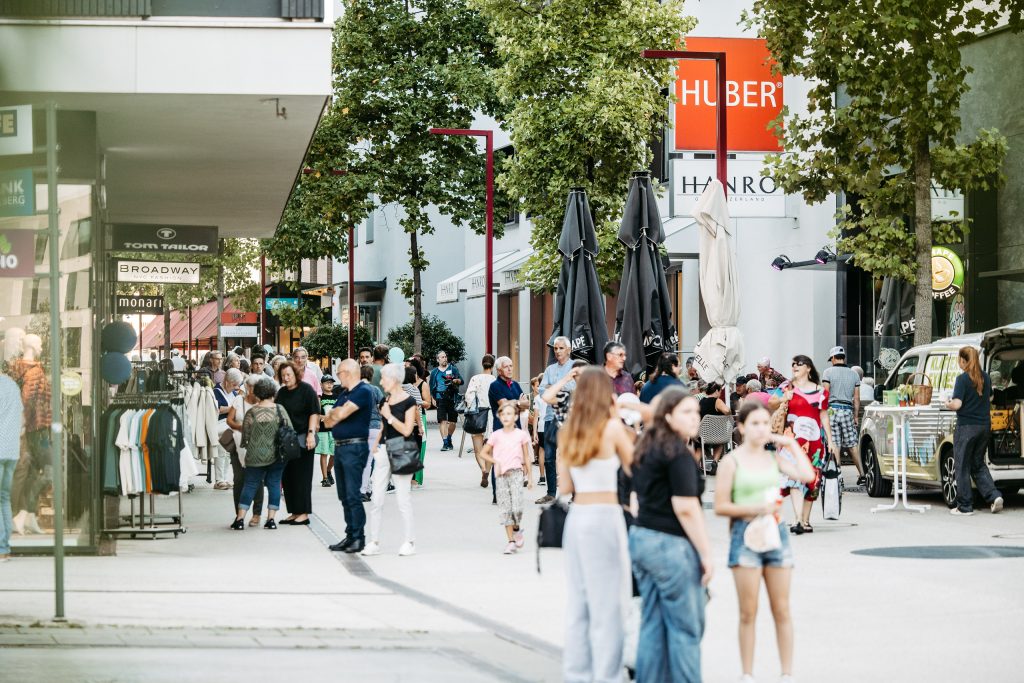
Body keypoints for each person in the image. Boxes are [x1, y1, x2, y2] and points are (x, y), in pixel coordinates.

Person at [714, 402, 816, 683]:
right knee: (748, 611)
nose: (761, 429)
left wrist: (789, 443)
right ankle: (747, 674)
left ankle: (787, 673)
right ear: (742, 427)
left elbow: (807, 476)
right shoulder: (731, 462)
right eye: (755, 423)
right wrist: (754, 509)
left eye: (765, 423)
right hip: (744, 534)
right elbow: (720, 505)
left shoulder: (774, 459)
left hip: (775, 534)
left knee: (781, 608)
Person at [629, 389, 712, 683]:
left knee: (652, 624)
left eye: (696, 412)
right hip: (670, 545)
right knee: (685, 629)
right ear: (667, 416)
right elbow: (686, 506)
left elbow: (635, 498)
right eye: (687, 412)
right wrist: (705, 554)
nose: (695, 418)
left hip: (642, 539)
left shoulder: (646, 447)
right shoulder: (677, 452)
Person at [558, 367, 635, 683]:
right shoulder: (613, 428)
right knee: (608, 603)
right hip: (605, 515)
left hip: (577, 518)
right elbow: (635, 467)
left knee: (579, 601)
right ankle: (608, 675)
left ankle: (577, 673)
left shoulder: (567, 432)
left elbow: (563, 488)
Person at [363, 363, 419, 557]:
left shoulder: (409, 401)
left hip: (403, 448)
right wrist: (376, 444)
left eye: (384, 378)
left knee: (403, 499)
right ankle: (374, 541)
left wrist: (388, 417)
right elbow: (382, 427)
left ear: (394, 379)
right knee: (377, 499)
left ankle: (409, 541)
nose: (380, 381)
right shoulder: (385, 399)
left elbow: (406, 430)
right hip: (384, 450)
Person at [944, 346, 1004, 515]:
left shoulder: (962, 380)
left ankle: (965, 506)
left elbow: (958, 404)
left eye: (960, 360)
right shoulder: (985, 377)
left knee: (962, 465)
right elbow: (990, 397)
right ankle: (994, 496)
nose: (959, 363)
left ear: (964, 361)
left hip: (966, 427)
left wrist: (948, 403)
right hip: (984, 426)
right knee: (977, 464)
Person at [323, 359, 374, 553]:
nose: (337, 377)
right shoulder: (344, 394)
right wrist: (334, 414)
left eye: (339, 373)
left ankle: (358, 537)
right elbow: (328, 422)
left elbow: (339, 415)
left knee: (353, 494)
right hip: (341, 447)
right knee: (344, 495)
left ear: (350, 372)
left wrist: (335, 414)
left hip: (355, 447)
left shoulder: (363, 391)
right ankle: (350, 534)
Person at [784, 355, 835, 535]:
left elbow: (823, 416)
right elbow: (771, 403)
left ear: (809, 368)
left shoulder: (821, 392)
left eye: (799, 364)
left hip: (815, 442)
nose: (794, 367)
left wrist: (831, 440)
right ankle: (798, 518)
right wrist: (784, 398)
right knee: (794, 478)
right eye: (792, 364)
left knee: (813, 480)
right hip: (792, 441)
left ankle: (806, 519)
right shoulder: (787, 387)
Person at [231, 376, 290, 531]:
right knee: (274, 485)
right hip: (276, 456)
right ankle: (270, 520)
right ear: (273, 393)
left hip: (254, 455)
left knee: (249, 485)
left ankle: (240, 519)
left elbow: (245, 438)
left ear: (257, 393)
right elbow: (289, 431)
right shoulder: (280, 410)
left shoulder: (251, 412)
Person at [476, 400, 534, 554]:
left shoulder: (521, 435)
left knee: (517, 508)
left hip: (516, 474)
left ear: (516, 416)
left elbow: (527, 457)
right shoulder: (496, 435)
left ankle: (517, 529)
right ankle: (511, 541)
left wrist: (530, 477)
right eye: (503, 414)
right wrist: (496, 461)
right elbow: (483, 453)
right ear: (499, 417)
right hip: (501, 476)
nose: (506, 417)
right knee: (505, 509)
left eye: (510, 414)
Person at [275, 361, 320, 526]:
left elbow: (314, 412)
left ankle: (304, 513)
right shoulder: (281, 393)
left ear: (296, 374)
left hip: (303, 438)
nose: (286, 378)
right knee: (288, 477)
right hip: (287, 440)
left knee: (302, 476)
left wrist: (310, 434)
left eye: (289, 375)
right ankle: (294, 511)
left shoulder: (306, 390)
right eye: (283, 375)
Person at [539, 360, 588, 504]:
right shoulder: (569, 396)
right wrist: (566, 378)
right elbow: (546, 397)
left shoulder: (594, 394)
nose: (580, 377)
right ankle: (575, 496)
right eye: (576, 374)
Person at [227, 374, 265, 527]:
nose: (253, 390)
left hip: (258, 446)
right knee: (239, 480)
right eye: (250, 387)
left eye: (256, 387)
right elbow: (229, 420)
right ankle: (239, 514)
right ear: (247, 387)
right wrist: (240, 427)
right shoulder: (238, 400)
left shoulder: (264, 403)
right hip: (238, 445)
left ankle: (256, 514)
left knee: (257, 480)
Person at [538, 337, 574, 501]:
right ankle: (551, 493)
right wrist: (561, 389)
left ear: (568, 349)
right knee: (549, 457)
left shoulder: (575, 367)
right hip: (551, 417)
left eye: (561, 348)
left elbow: (574, 390)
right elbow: (541, 391)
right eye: (556, 349)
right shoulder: (549, 369)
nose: (558, 351)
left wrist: (553, 389)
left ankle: (576, 494)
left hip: (569, 419)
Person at [822, 346, 864, 484]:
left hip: (832, 410)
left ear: (833, 358)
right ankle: (863, 475)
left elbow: (825, 395)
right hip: (847, 410)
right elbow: (856, 398)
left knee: (835, 444)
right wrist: (855, 416)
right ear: (843, 358)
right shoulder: (854, 374)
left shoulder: (827, 372)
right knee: (852, 444)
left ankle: (838, 476)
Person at [0, 372, 23, 562]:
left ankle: (1, 548)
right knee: (4, 498)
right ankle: (5, 547)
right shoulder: (12, 386)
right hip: (12, 450)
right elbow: (21, 420)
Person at [464, 354, 497, 488]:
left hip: (478, 415)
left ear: (482, 364)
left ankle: (483, 469)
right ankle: (487, 472)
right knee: (490, 450)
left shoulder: (475, 379)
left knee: (478, 450)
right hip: (491, 416)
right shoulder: (495, 380)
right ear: (493, 366)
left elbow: (469, 396)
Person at [212, 369, 242, 490]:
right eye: (234, 385)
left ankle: (224, 478)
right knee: (222, 450)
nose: (235, 387)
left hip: (230, 425)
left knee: (229, 451)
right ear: (227, 381)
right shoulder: (216, 391)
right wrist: (233, 408)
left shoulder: (234, 393)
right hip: (219, 424)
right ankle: (219, 480)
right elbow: (217, 409)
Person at [359, 365, 385, 500]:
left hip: (360, 428)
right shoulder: (375, 389)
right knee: (369, 461)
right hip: (375, 427)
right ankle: (367, 488)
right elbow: (383, 407)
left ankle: (363, 490)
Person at [429, 350, 463, 451]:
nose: (445, 359)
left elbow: (461, 380)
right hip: (440, 397)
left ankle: (449, 438)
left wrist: (456, 380)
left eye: (445, 357)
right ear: (438, 359)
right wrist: (432, 398)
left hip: (452, 397)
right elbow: (431, 386)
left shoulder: (453, 369)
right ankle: (445, 442)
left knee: (452, 422)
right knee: (442, 420)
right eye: (442, 357)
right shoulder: (435, 372)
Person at [405, 363, 431, 488]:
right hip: (415, 424)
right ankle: (411, 479)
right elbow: (416, 408)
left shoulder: (398, 388)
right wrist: (420, 427)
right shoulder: (413, 389)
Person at [317, 375, 339, 488]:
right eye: (326, 383)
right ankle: (325, 478)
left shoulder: (337, 397)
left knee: (335, 453)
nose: (329, 384)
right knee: (324, 453)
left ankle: (329, 470)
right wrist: (323, 417)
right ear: (321, 385)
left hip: (335, 429)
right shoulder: (319, 398)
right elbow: (316, 414)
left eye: (331, 382)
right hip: (323, 429)